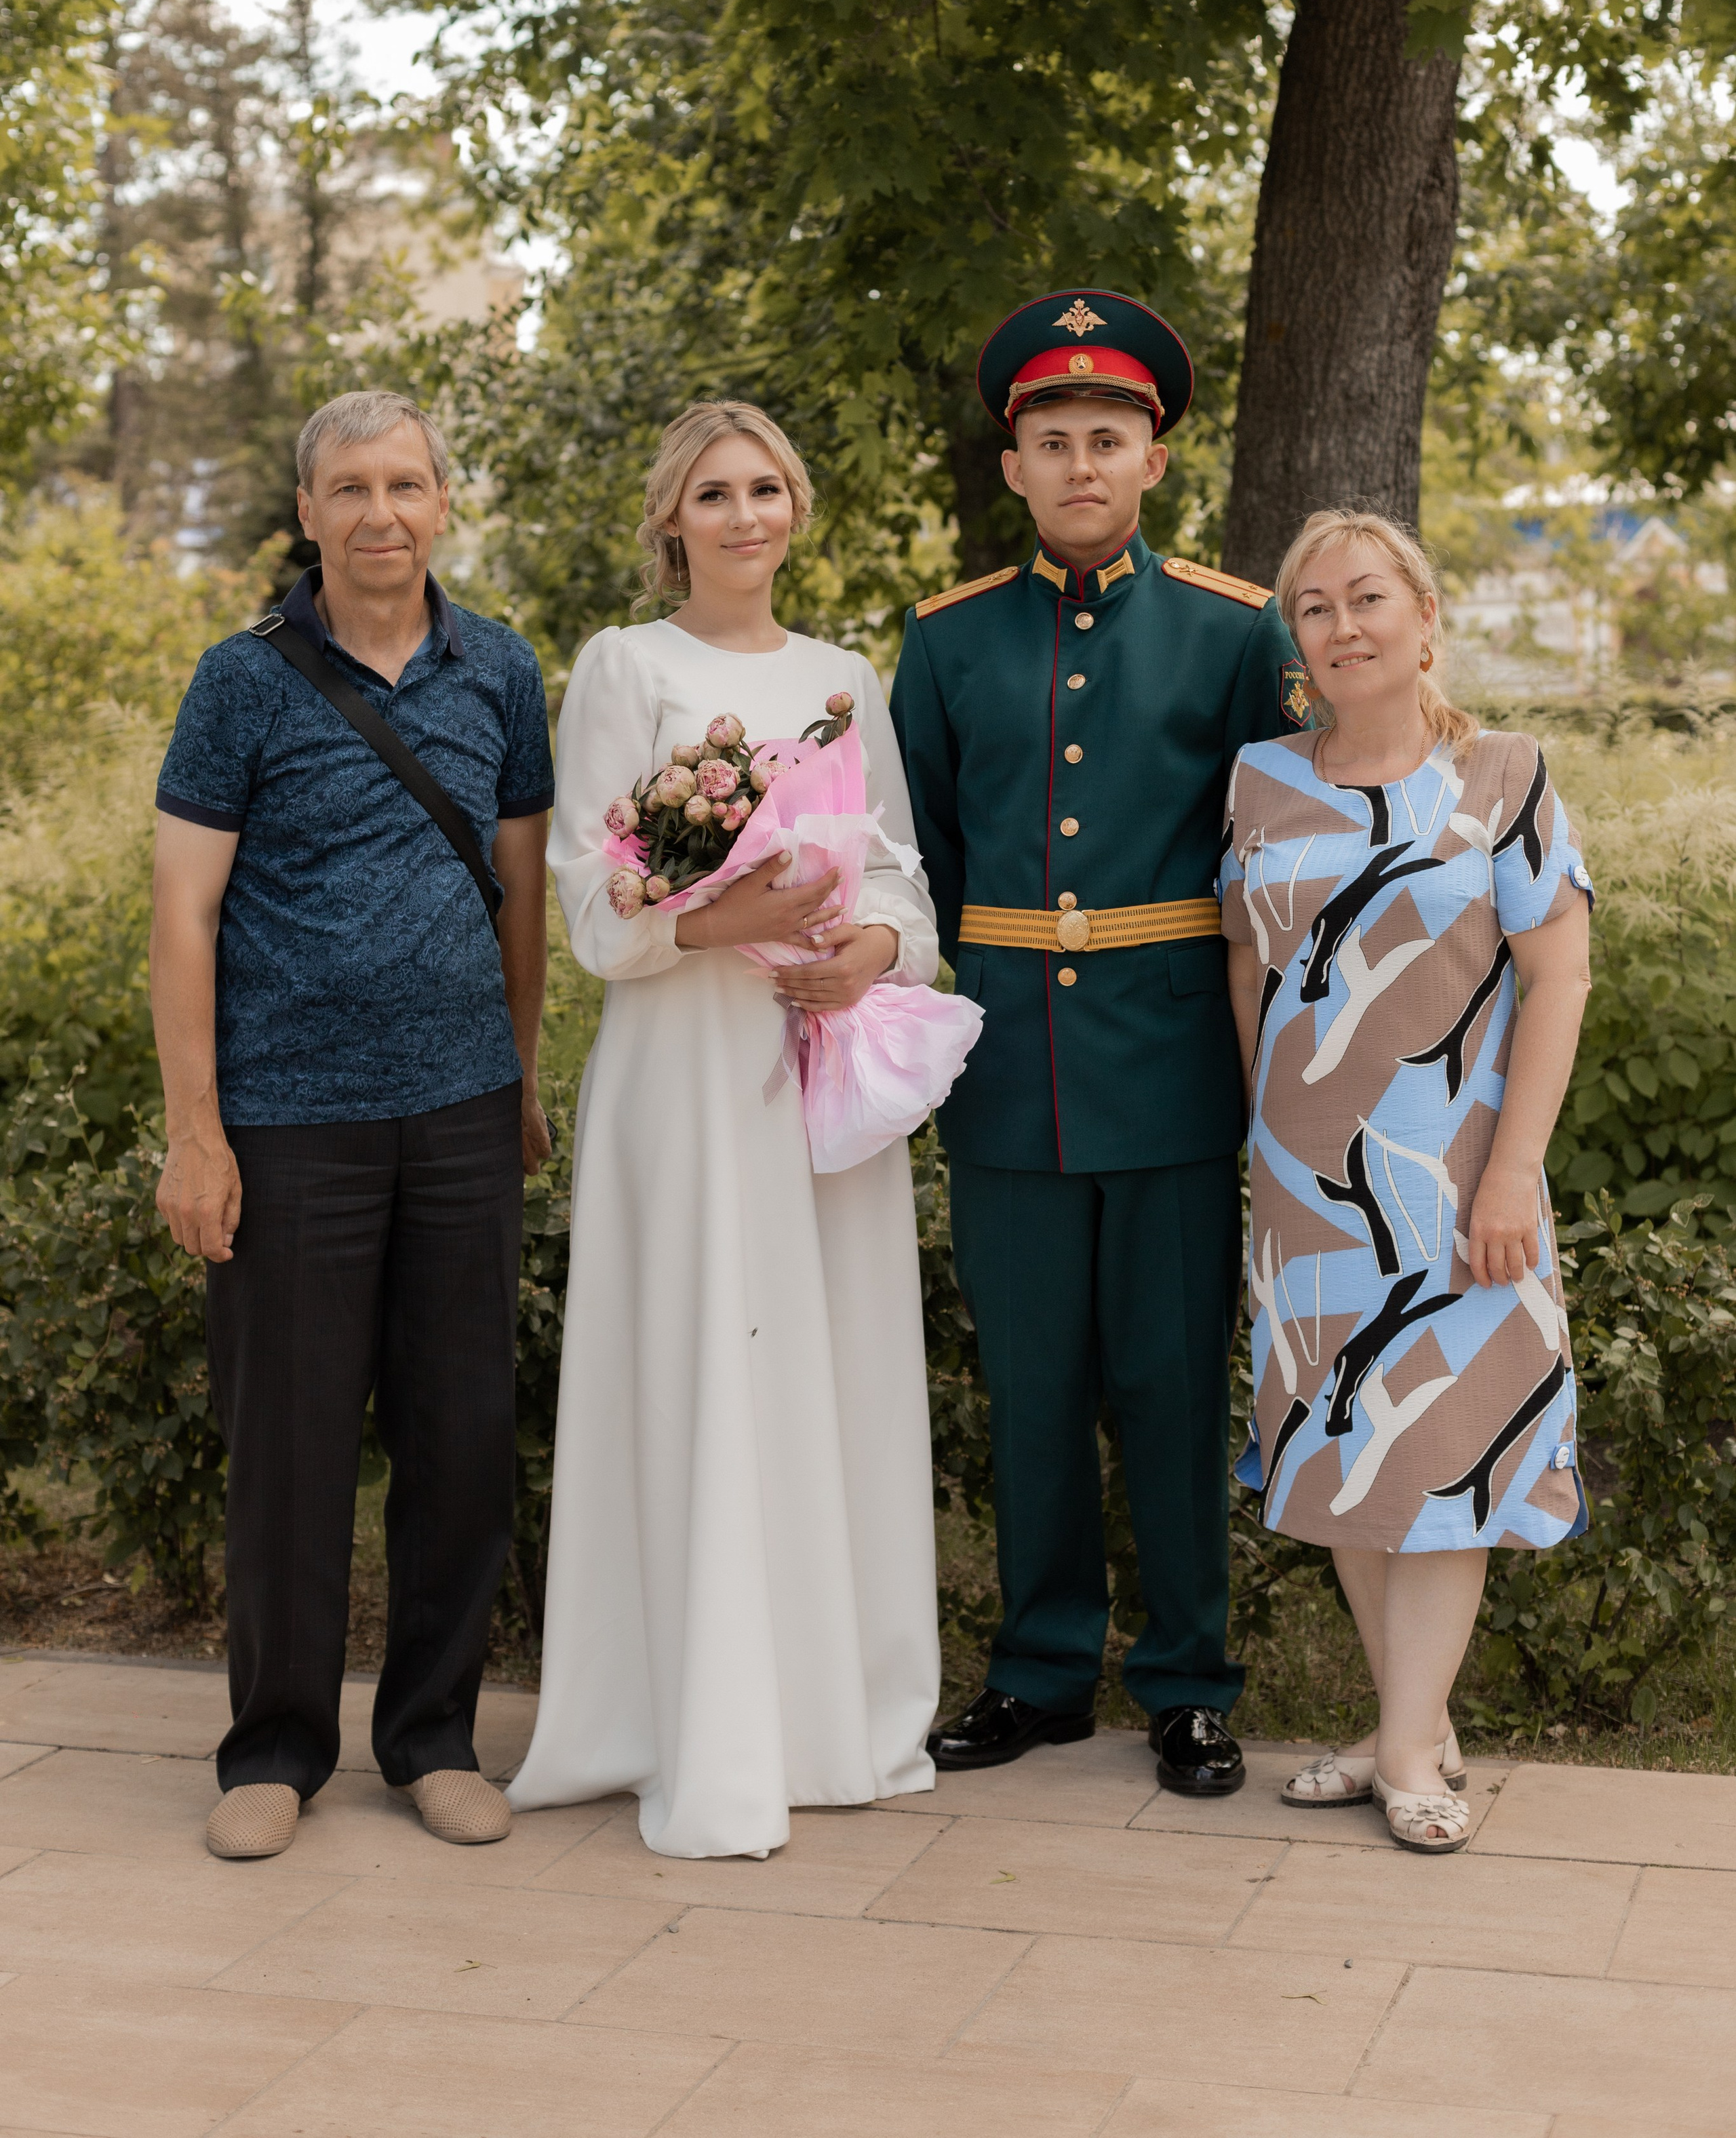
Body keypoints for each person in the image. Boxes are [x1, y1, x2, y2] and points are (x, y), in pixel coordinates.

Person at [507, 399, 942, 1859]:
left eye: (765, 488)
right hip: (681, 1079)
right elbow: (588, 895)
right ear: (671, 520)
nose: (743, 514)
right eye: (713, 493)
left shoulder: (841, 677)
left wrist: (869, 953)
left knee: (825, 1373)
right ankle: (685, 1725)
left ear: (795, 508)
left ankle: (831, 1720)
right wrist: (716, 919)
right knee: (697, 1365)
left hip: (811, 1064)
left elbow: (898, 878)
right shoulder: (624, 669)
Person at [892, 290, 1302, 1793]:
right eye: (1050, 440)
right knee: (1032, 1386)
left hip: (1179, 1062)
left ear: (1150, 462)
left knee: (1171, 1382)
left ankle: (1188, 1681)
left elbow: (1283, 846)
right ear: (1012, 469)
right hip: (1004, 1068)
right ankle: (1042, 1673)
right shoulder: (943, 644)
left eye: (1106, 438)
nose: (1079, 463)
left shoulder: (1234, 630)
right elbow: (922, 862)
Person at [152, 390, 555, 1862]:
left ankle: (432, 1739)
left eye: (404, 483)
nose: (378, 511)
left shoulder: (500, 668)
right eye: (348, 488)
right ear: (308, 511)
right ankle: (271, 1751)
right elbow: (183, 918)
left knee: (461, 1440)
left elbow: (518, 894)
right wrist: (196, 1133)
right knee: (294, 1448)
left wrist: (518, 1076)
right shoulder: (242, 681)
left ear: (442, 501)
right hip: (286, 1124)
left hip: (458, 1114)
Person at [1222, 509, 1592, 1853]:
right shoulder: (1260, 780)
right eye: (1312, 607)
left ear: (1423, 616)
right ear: (1295, 643)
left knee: (1442, 1458)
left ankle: (1402, 1755)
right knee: (1345, 1457)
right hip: (1304, 1186)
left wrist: (1513, 1172)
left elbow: (1556, 974)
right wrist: (1267, 1145)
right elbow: (1247, 976)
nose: (1340, 624)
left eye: (1366, 596)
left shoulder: (1501, 775)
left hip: (1457, 1181)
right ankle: (1407, 1736)